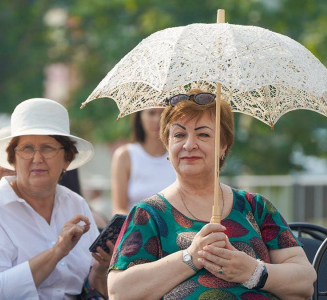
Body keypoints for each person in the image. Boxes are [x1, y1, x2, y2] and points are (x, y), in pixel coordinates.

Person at [108, 89, 316, 299]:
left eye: (203, 134)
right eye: (179, 135)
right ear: (167, 144)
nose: (189, 145)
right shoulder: (148, 214)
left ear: (223, 146)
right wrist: (190, 257)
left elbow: (305, 282)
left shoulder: (256, 207)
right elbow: (119, 292)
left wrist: (253, 272)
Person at [0, 98, 113, 299]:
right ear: (13, 159)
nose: (37, 158)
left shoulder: (75, 204)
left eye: (47, 148)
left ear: (67, 159)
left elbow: (90, 289)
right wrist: (57, 251)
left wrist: (100, 269)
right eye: (27, 148)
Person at [111, 108, 176, 215]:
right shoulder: (125, 156)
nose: (157, 119)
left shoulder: (180, 154)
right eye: (151, 113)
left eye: (163, 113)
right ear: (140, 117)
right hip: (136, 228)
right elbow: (118, 209)